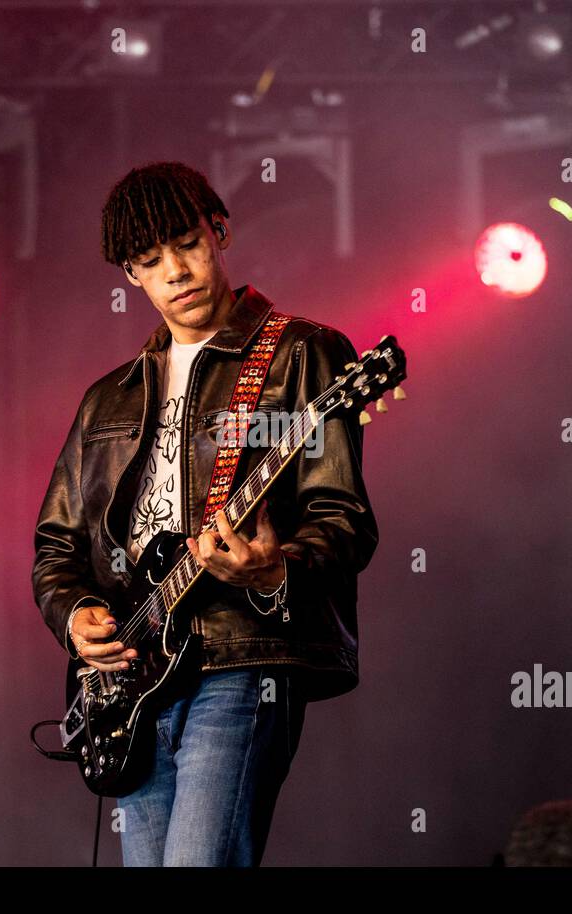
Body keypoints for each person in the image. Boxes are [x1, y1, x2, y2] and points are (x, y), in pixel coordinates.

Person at [33, 160, 378, 866]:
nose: (175, 272)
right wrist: (74, 618)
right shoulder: (109, 399)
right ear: (130, 275)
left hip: (240, 659)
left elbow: (342, 518)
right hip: (130, 684)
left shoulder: (300, 356)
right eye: (149, 260)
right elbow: (56, 548)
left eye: (186, 244)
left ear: (218, 231)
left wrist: (272, 571)